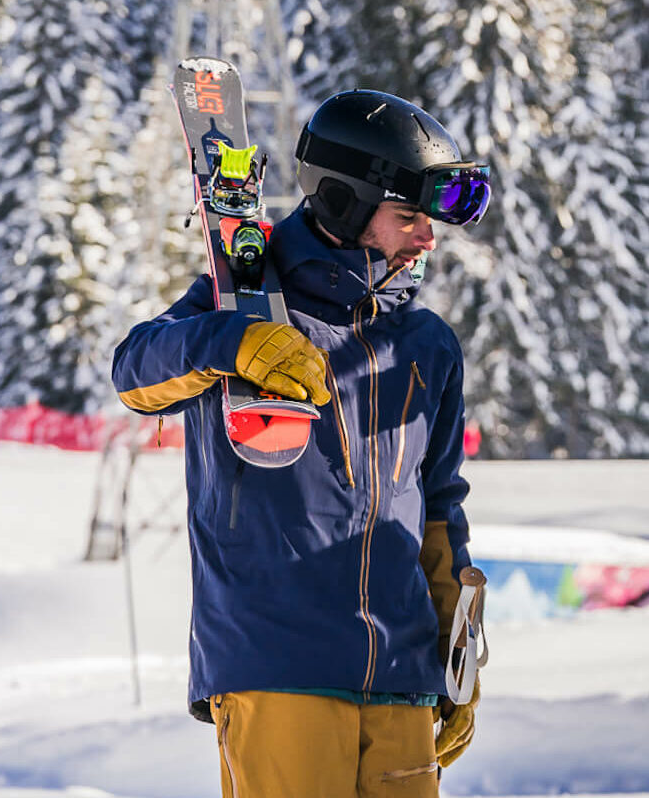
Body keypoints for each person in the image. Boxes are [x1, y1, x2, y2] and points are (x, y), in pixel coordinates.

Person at [112, 90, 492, 798]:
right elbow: (135, 372)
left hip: (403, 679)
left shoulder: (426, 343)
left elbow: (439, 510)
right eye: (408, 217)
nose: (427, 239)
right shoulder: (244, 302)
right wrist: (233, 343)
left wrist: (457, 656)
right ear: (345, 205)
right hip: (277, 663)